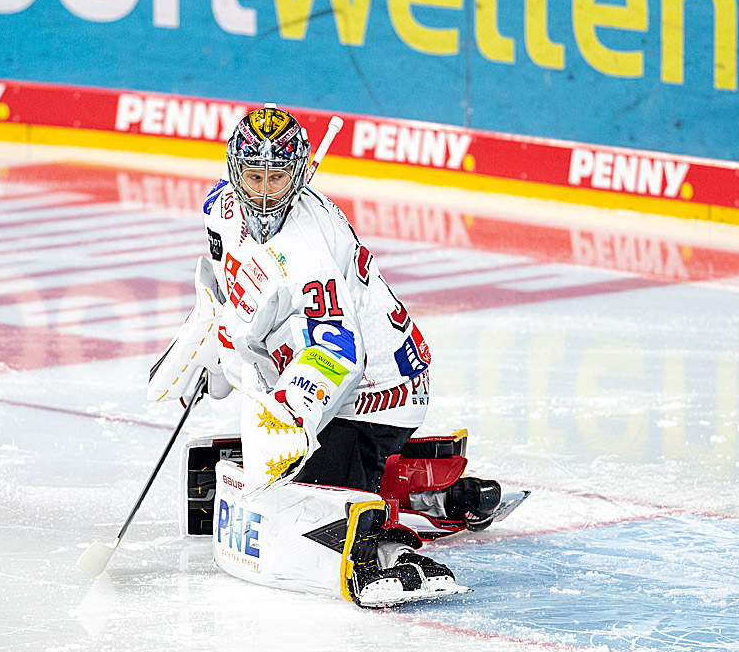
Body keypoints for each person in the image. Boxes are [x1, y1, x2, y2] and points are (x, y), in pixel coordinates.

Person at [148, 107, 506, 607]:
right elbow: (226, 279)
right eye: (255, 175)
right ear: (234, 171)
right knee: (292, 481)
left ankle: (399, 527)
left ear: (297, 174)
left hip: (378, 389)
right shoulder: (219, 208)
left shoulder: (309, 251)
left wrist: (289, 418)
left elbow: (339, 352)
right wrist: (214, 337)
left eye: (278, 176)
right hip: (318, 371)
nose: (267, 191)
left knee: (314, 508)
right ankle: (428, 486)